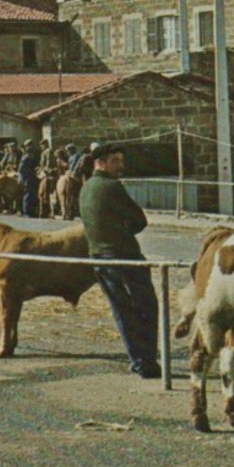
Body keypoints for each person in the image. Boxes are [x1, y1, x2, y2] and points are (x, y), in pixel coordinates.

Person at [79, 143, 160, 379]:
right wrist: (121, 232)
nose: (121, 166)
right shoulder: (112, 187)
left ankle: (137, 359)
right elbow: (139, 220)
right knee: (145, 306)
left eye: (121, 161)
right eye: (115, 161)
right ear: (100, 163)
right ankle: (147, 361)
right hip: (124, 256)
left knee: (121, 309)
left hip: (98, 258)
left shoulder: (85, 188)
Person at [18, 141, 41, 218]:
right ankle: (27, 212)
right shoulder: (26, 158)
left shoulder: (28, 157)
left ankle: (30, 211)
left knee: (31, 195)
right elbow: (21, 169)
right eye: (31, 152)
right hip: (28, 179)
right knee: (28, 195)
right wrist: (31, 172)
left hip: (30, 178)